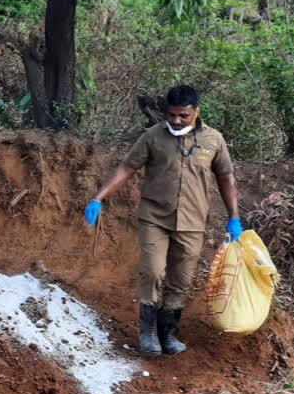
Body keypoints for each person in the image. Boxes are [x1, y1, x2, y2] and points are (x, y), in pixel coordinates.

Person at [84, 85, 241, 356]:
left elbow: (225, 177)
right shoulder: (152, 137)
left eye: (183, 116)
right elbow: (127, 168)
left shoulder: (213, 140)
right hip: (154, 217)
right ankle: (147, 333)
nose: (177, 121)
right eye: (172, 115)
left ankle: (167, 334)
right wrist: (99, 197)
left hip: (192, 222)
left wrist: (234, 217)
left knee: (181, 279)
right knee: (153, 271)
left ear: (196, 112)